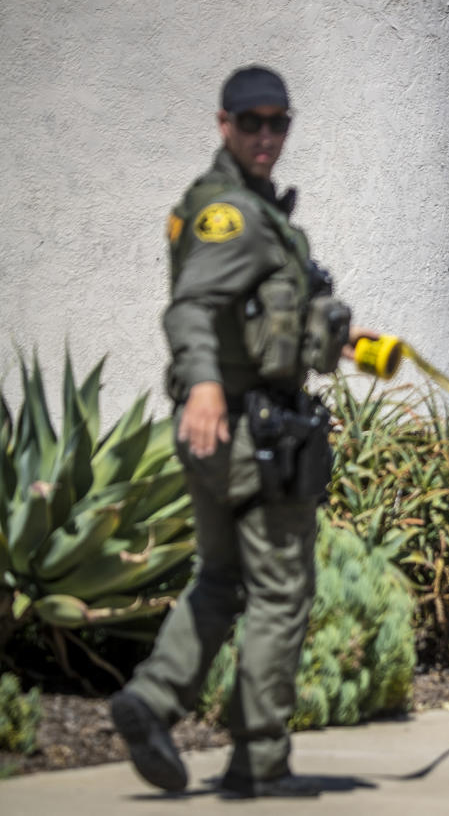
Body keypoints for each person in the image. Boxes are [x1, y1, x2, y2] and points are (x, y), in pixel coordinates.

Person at [110, 65, 373, 799]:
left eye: (278, 122)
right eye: (251, 122)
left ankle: (153, 700)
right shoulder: (235, 216)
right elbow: (191, 308)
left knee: (222, 580)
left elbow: (257, 319)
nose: (266, 136)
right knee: (282, 592)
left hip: (226, 431)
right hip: (248, 432)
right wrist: (201, 385)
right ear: (223, 125)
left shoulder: (230, 208)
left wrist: (347, 341)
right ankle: (257, 760)